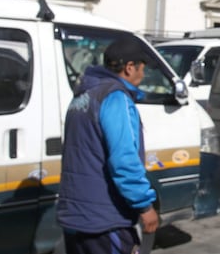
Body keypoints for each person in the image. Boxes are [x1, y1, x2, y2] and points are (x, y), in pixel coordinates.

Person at [57, 36, 159, 254]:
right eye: (142, 69)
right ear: (130, 68)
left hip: (76, 216)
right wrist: (145, 205)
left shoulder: (83, 95)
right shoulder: (115, 97)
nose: (143, 75)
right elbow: (124, 159)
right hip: (105, 220)